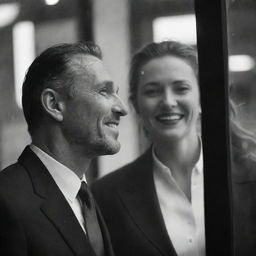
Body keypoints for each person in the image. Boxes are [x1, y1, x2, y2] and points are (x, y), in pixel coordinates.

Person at [0, 42, 128, 256]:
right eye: (104, 91)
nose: (122, 108)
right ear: (54, 104)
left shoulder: (88, 198)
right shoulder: (6, 200)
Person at [92, 40, 204, 256]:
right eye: (153, 92)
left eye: (181, 88)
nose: (168, 101)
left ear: (202, 98)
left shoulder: (250, 175)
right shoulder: (105, 196)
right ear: (135, 106)